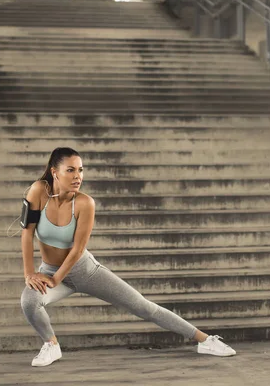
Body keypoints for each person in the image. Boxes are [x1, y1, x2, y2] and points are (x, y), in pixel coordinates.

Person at [19, 147, 236, 367]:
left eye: (81, 170)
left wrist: (56, 280)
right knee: (29, 301)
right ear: (55, 172)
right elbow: (27, 234)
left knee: (143, 307)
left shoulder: (85, 203)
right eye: (71, 170)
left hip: (84, 270)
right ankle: (52, 345)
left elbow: (77, 250)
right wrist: (30, 274)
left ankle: (205, 340)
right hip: (49, 270)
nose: (78, 176)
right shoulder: (38, 191)